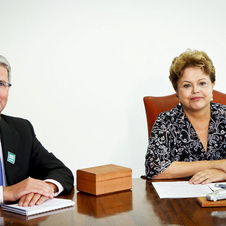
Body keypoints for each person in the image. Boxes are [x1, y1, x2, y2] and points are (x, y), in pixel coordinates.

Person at [0, 55, 74, 207]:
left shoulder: (21, 129)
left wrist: (44, 188)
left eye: (1, 84)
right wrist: (6, 193)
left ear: (8, 90)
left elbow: (61, 171)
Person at [144, 49, 226, 185]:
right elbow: (155, 169)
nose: (195, 90)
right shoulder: (165, 121)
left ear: (212, 86)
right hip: (180, 202)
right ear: (177, 92)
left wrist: (222, 174)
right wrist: (217, 164)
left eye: (202, 83)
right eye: (187, 85)